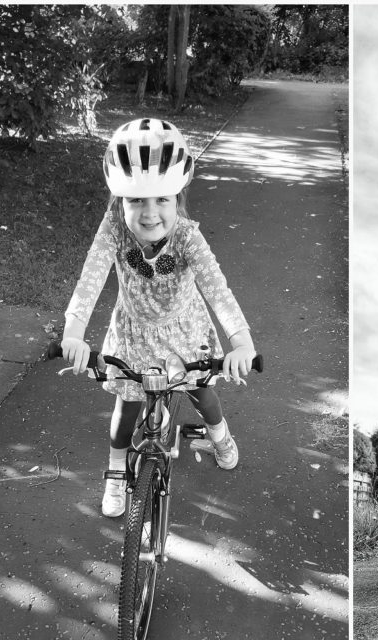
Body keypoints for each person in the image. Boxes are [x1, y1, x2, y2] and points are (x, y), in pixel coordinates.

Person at [61, 118, 256, 517]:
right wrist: (74, 333)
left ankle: (220, 437)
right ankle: (117, 472)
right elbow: (90, 280)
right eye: (136, 201)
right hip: (133, 336)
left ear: (178, 199)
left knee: (202, 394)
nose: (150, 214)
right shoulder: (114, 228)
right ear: (120, 201)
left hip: (185, 333)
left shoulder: (186, 236)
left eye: (162, 200)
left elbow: (218, 290)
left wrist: (241, 343)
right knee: (126, 408)